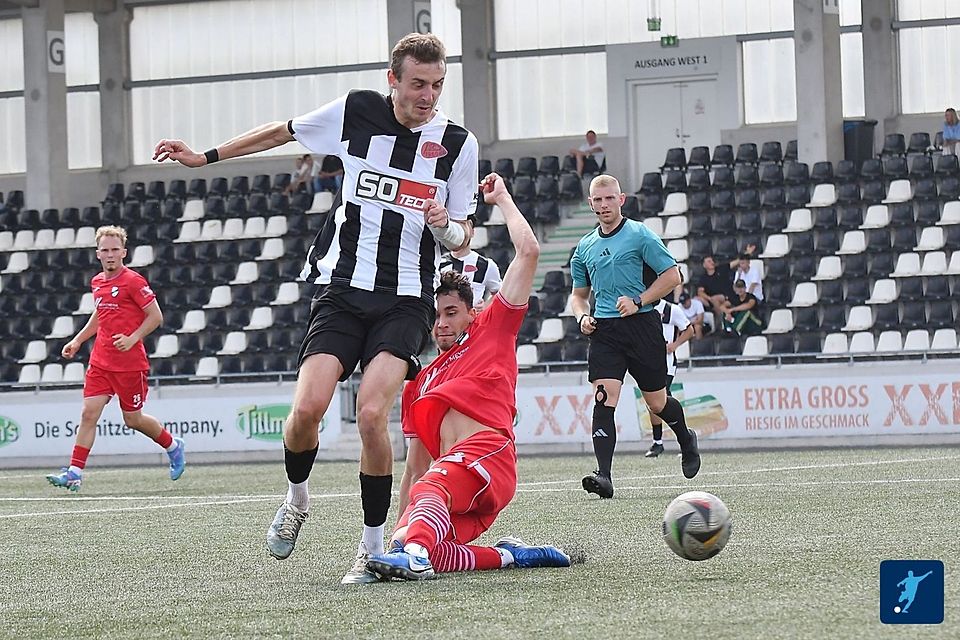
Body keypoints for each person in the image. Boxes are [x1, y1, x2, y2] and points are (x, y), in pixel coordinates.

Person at [153, 32, 478, 584]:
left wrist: (445, 224)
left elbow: (464, 237)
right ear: (393, 80)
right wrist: (204, 157)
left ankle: (371, 549)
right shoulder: (356, 110)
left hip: (406, 296)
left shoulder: (457, 143)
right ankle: (297, 498)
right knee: (306, 412)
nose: (429, 96)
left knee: (373, 412)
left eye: (438, 85)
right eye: (418, 84)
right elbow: (283, 132)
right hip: (343, 288)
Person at [364, 173, 571, 581]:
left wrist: (503, 200)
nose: (440, 323)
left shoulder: (490, 329)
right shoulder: (418, 382)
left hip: (489, 456)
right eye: (435, 315)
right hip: (455, 485)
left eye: (451, 313)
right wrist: (398, 536)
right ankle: (514, 556)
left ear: (472, 311)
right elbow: (415, 469)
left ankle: (416, 559)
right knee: (430, 546)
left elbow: (528, 252)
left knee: (427, 506)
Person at [569, 174, 701, 500]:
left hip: (642, 325)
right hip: (604, 330)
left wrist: (639, 300)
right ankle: (604, 475)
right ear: (590, 204)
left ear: (621, 199)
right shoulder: (584, 247)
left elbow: (673, 276)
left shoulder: (640, 235)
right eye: (597, 200)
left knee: (656, 402)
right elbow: (578, 295)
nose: (604, 205)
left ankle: (685, 437)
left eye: (609, 198)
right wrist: (581, 316)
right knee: (603, 398)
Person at [46, 226, 185, 492]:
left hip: (129, 365)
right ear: (98, 254)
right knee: (88, 414)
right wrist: (78, 340)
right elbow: (100, 315)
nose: (110, 255)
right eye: (105, 250)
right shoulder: (97, 282)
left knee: (132, 420)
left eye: (114, 250)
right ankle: (74, 472)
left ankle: (173, 445)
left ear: (124, 252)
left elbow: (156, 317)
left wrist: (133, 338)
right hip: (100, 361)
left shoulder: (133, 281)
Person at [645, 298, 695, 458]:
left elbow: (689, 329)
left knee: (662, 399)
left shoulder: (670, 309)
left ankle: (684, 440)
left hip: (666, 363)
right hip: (647, 363)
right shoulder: (641, 307)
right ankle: (658, 442)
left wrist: (675, 344)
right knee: (653, 403)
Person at [439, 244, 502, 309]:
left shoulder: (486, 265)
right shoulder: (439, 263)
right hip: (445, 317)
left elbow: (500, 292)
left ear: (472, 233)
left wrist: (485, 307)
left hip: (474, 318)